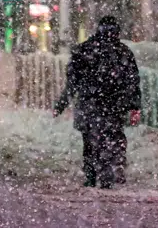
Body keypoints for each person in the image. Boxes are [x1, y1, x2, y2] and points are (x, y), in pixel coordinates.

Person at [53, 15, 143, 189]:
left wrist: (62, 104)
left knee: (91, 141)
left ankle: (93, 175)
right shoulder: (122, 52)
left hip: (90, 105)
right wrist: (134, 106)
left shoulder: (85, 50)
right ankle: (108, 174)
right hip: (112, 105)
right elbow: (133, 82)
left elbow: (72, 83)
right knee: (112, 139)